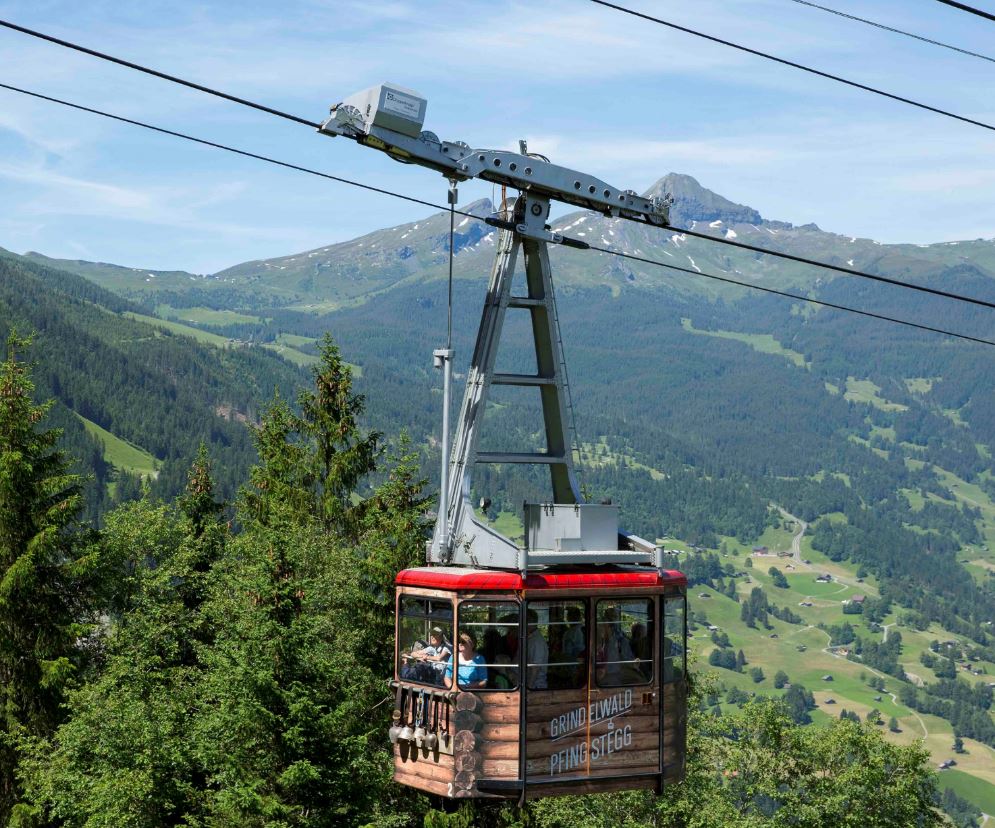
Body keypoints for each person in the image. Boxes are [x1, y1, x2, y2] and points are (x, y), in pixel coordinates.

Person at [526, 609, 548, 690]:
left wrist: (529, 688)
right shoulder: (530, 638)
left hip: (536, 686)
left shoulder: (537, 641)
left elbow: (536, 668)